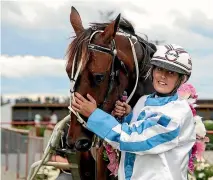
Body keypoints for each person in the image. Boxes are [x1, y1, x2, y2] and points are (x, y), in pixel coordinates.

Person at [71, 44, 196, 180]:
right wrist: (128, 115)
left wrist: (94, 115)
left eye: (171, 72)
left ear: (182, 79)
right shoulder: (143, 101)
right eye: (159, 69)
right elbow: (138, 126)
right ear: (152, 71)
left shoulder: (177, 114)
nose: (163, 76)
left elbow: (134, 140)